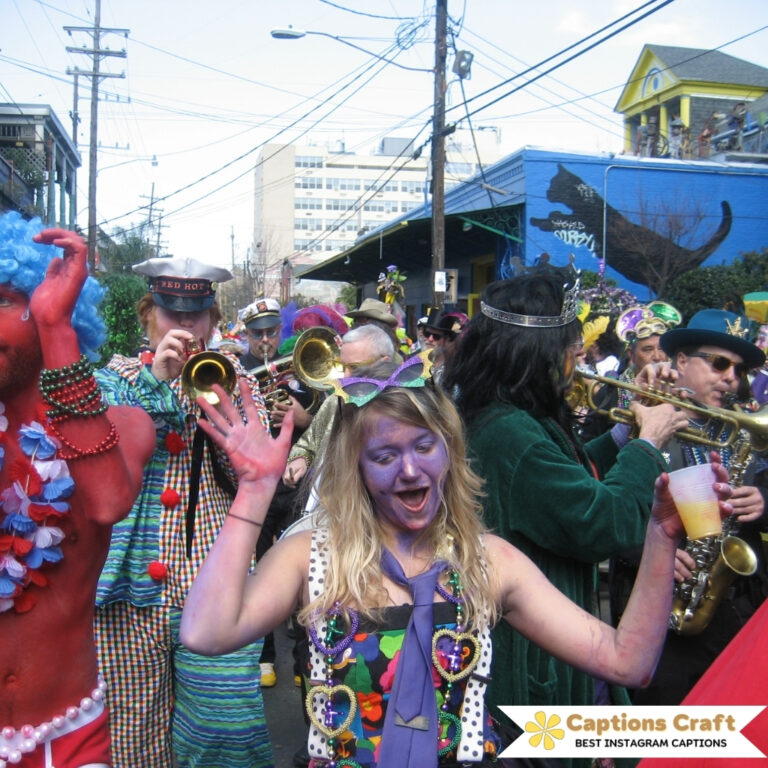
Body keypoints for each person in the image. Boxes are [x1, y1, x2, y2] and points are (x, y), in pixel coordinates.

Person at [179, 359, 730, 768]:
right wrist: (253, 490)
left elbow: (626, 661)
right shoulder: (311, 555)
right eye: (385, 456)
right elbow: (206, 632)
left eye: (424, 447)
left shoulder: (490, 562)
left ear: (450, 451)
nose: (410, 471)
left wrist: (661, 535)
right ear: (359, 470)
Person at [441, 271, 688, 746]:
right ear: (533, 353)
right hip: (538, 669)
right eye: (568, 342)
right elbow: (603, 521)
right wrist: (650, 441)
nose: (579, 352)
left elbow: (569, 477)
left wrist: (624, 431)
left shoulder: (507, 416)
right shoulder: (512, 434)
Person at [93, 256, 274, 768]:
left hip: (215, 583)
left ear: (213, 321)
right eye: (173, 312)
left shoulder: (235, 378)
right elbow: (105, 448)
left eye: (198, 315)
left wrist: (220, 404)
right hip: (128, 590)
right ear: (148, 314)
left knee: (225, 733)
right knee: (131, 736)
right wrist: (156, 378)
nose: (187, 326)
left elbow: (254, 475)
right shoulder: (116, 378)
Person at [0, 212, 154, 768]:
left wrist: (54, 329)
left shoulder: (126, 424)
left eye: (1, 301)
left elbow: (109, 500)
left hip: (71, 737)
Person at [628, 308, 768, 706]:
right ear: (682, 362)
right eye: (720, 364)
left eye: (738, 370)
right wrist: (649, 552)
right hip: (659, 620)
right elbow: (607, 509)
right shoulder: (644, 420)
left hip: (733, 613)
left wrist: (764, 501)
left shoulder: (744, 431)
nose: (731, 378)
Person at [237, 297, 319, 687]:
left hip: (298, 483)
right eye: (258, 333)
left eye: (272, 332)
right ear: (246, 335)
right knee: (258, 567)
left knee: (307, 572)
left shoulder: (300, 367)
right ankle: (264, 656)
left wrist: (302, 418)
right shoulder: (237, 372)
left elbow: (326, 422)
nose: (266, 340)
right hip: (256, 485)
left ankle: (306, 659)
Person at [283, 323, 396, 493]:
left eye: (355, 368)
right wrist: (299, 460)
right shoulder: (335, 401)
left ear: (384, 362)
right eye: (343, 367)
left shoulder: (403, 405)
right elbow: (308, 443)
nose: (346, 376)